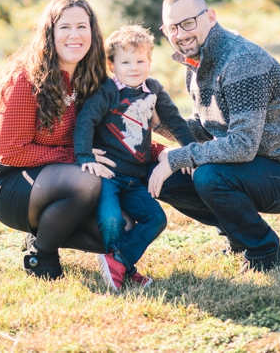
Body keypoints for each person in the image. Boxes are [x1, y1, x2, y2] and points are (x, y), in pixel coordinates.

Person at [0, 0, 170, 281]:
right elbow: (10, 152)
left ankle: (47, 234)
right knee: (87, 179)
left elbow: (116, 135)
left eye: (82, 26)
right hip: (12, 182)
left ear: (93, 32)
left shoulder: (93, 81)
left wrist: (160, 152)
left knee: (120, 230)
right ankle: (41, 253)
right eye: (65, 27)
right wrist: (78, 156)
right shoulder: (25, 79)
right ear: (49, 33)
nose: (75, 35)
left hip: (67, 178)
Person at [147, 0, 280, 273]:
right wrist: (156, 123)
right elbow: (205, 129)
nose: (180, 34)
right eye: (172, 28)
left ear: (210, 17)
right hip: (249, 165)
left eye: (188, 23)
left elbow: (242, 145)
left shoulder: (240, 61)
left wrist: (178, 157)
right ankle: (238, 234)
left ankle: (264, 250)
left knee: (209, 175)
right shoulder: (197, 61)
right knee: (162, 178)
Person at [73, 24, 196, 290]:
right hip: (108, 174)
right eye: (126, 61)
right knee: (111, 219)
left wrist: (191, 152)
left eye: (141, 60)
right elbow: (85, 121)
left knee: (157, 219)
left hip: (136, 176)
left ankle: (119, 262)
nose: (134, 67)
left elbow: (175, 121)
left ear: (150, 61)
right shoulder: (107, 91)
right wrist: (84, 156)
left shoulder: (153, 89)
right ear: (112, 65)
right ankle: (122, 269)